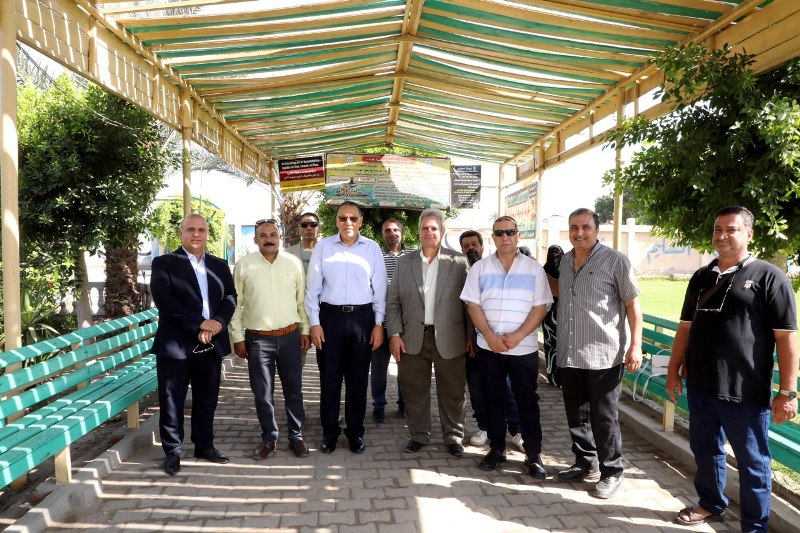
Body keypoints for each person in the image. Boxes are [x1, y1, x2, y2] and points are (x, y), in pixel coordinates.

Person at [666, 206, 798, 532]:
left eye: (731, 229)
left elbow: (786, 337)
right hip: (700, 385)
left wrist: (787, 391)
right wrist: (673, 370)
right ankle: (711, 504)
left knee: (753, 462)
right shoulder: (701, 277)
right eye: (718, 229)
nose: (722, 235)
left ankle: (755, 526)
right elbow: (685, 327)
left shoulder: (770, 277)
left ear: (749, 234)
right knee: (705, 450)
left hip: (745, 391)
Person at [556, 208, 642, 499]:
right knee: (576, 415)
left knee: (604, 417)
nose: (579, 233)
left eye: (585, 227)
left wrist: (635, 345)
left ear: (596, 229)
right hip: (570, 352)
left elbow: (633, 306)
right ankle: (585, 463)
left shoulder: (616, 260)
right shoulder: (565, 261)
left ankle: (612, 471)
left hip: (604, 354)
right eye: (574, 227)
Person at [460, 216, 552, 479]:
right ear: (493, 238)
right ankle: (497, 449)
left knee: (527, 401)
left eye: (510, 232)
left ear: (517, 235)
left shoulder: (534, 269)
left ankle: (533, 455)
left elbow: (541, 306)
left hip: (523, 349)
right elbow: (472, 305)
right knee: (493, 399)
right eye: (499, 233)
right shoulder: (480, 269)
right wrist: (489, 336)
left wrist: (518, 336)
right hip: (489, 348)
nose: (505, 237)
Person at [150, 214, 237, 476]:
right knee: (171, 400)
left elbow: (230, 297)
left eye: (201, 229)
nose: (196, 234)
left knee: (206, 399)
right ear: (181, 233)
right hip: (176, 345)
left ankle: (204, 445)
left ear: (207, 234)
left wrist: (218, 323)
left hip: (211, 343)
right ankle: (173, 451)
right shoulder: (164, 263)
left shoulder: (219, 265)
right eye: (190, 229)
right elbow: (165, 301)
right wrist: (200, 324)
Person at [305, 201, 387, 454]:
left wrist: (378, 324)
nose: (348, 222)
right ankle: (329, 433)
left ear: (361, 221)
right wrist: (315, 323)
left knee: (358, 380)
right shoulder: (323, 246)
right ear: (336, 221)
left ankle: (355, 432)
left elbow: (380, 290)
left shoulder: (372, 248)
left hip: (362, 320)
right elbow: (312, 289)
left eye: (353, 218)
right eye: (343, 218)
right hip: (329, 319)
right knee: (329, 379)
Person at [386, 209, 470, 457]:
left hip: (451, 338)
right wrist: (394, 334)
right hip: (412, 338)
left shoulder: (459, 262)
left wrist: (470, 336)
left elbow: (469, 304)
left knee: (453, 391)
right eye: (425, 228)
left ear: (442, 232)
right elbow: (393, 302)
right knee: (414, 389)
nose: (429, 232)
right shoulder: (404, 263)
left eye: (434, 228)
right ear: (419, 231)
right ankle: (419, 435)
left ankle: (453, 436)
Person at [229, 218, 311, 460]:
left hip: (290, 337)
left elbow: (301, 301)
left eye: (273, 234)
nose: (268, 239)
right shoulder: (244, 265)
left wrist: (305, 330)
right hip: (258, 340)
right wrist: (237, 336)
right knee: (263, 393)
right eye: (263, 235)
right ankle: (269, 438)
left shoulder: (293, 264)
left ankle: (296, 436)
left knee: (294, 390)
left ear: (280, 237)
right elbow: (235, 304)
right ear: (255, 239)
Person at [459, 230, 523, 452]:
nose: (470, 249)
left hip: (499, 341)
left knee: (508, 387)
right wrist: (469, 337)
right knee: (476, 388)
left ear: (482, 246)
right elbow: (464, 309)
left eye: (474, 244)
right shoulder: (459, 272)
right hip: (472, 344)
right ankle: (484, 427)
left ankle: (516, 430)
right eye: (466, 246)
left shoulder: (493, 269)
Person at [370, 218, 415, 422]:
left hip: (406, 325)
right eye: (387, 230)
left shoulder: (413, 255)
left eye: (396, 230)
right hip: (380, 323)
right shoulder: (375, 255)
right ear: (383, 234)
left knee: (405, 368)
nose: (392, 233)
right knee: (378, 368)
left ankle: (404, 404)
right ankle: (378, 405)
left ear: (402, 233)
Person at [286, 212, 320, 368]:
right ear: (299, 228)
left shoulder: (328, 251)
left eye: (313, 224)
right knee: (295, 363)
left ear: (318, 228)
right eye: (304, 225)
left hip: (324, 313)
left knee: (329, 363)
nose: (309, 228)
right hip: (296, 314)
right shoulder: (287, 254)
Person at [542, 245, 564, 387]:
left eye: (557, 254)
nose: (554, 257)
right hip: (549, 317)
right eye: (552, 254)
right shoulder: (544, 272)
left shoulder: (566, 271)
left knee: (559, 347)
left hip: (561, 317)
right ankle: (553, 377)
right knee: (551, 346)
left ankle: (558, 378)